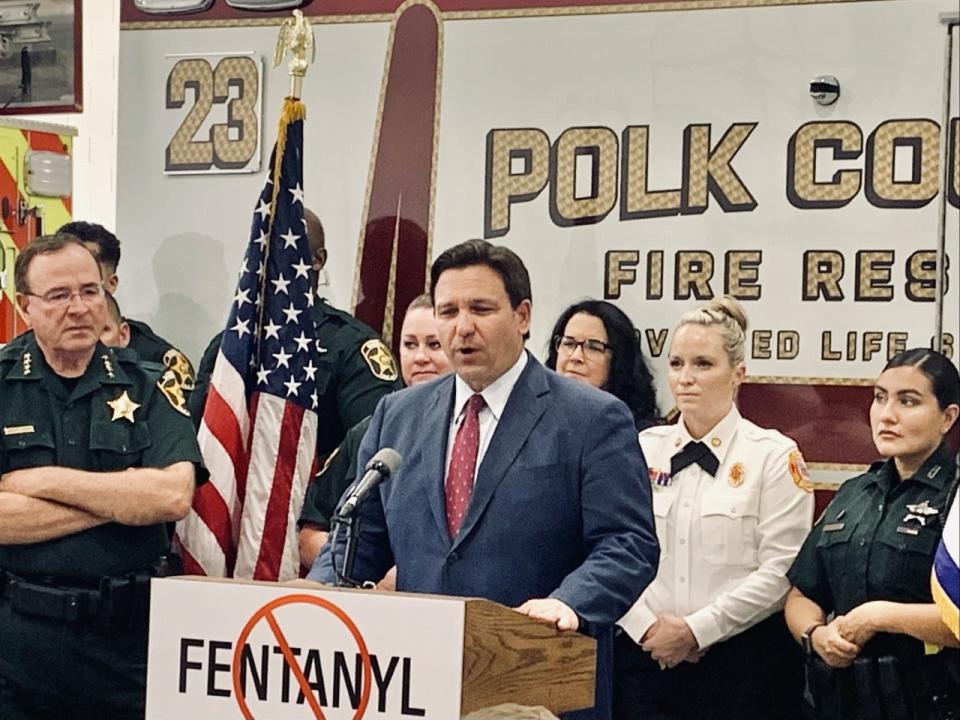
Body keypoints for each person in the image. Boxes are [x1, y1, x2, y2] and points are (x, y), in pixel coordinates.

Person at [313, 239, 659, 720]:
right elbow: (359, 538)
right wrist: (316, 597)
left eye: (480, 308)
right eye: (448, 311)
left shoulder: (591, 419)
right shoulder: (398, 414)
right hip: (413, 685)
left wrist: (569, 604)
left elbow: (628, 543)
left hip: (539, 683)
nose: (462, 327)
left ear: (522, 316)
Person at [0, 234, 203, 719]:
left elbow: (172, 497)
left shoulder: (150, 383)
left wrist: (39, 482)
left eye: (89, 291)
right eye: (59, 296)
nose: (78, 308)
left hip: (128, 648)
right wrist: (121, 502)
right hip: (18, 650)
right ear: (26, 306)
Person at [616, 295, 815, 720]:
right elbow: (614, 548)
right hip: (644, 659)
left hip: (744, 665)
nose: (685, 378)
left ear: (738, 373)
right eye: (676, 363)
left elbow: (781, 569)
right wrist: (645, 627)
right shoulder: (640, 449)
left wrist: (696, 630)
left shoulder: (774, 456)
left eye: (703, 364)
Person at [784, 348, 960, 720]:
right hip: (844, 702)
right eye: (880, 398)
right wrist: (815, 636)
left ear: (947, 417)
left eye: (908, 401)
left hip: (930, 702)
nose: (887, 415)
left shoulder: (956, 498)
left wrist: (879, 616)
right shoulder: (855, 493)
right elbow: (802, 593)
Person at [189, 209, 402, 451]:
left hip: (319, 486)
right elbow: (194, 438)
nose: (269, 262)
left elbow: (373, 448)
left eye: (285, 248)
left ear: (318, 260)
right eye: (261, 251)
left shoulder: (352, 346)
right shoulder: (227, 344)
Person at [298, 293, 452, 569]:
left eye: (434, 345)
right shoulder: (372, 430)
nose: (420, 357)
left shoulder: (473, 433)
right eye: (409, 344)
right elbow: (311, 532)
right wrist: (355, 566)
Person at [546, 299, 659, 430]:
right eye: (569, 343)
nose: (576, 357)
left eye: (593, 347)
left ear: (619, 359)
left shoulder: (637, 435)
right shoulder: (534, 416)